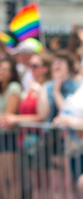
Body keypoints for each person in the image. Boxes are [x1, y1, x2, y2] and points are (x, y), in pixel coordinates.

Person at [1, 54, 52, 198]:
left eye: (34, 66)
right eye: (30, 65)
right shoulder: (29, 88)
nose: (31, 69)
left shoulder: (46, 87)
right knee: (33, 183)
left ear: (45, 69)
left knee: (45, 184)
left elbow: (42, 116)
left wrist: (16, 119)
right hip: (27, 140)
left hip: (44, 140)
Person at [0, 58, 22, 199]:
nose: (1, 71)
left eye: (5, 69)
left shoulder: (13, 87)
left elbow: (8, 116)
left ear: (12, 72)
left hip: (9, 136)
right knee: (2, 180)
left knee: (11, 177)